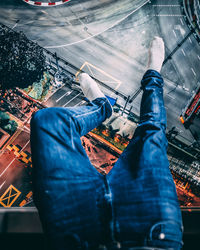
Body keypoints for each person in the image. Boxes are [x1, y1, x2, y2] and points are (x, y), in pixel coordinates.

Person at [30, 37, 183, 250]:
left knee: (48, 121)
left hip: (78, 240)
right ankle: (153, 75)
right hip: (151, 236)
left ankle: (101, 107)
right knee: (152, 133)